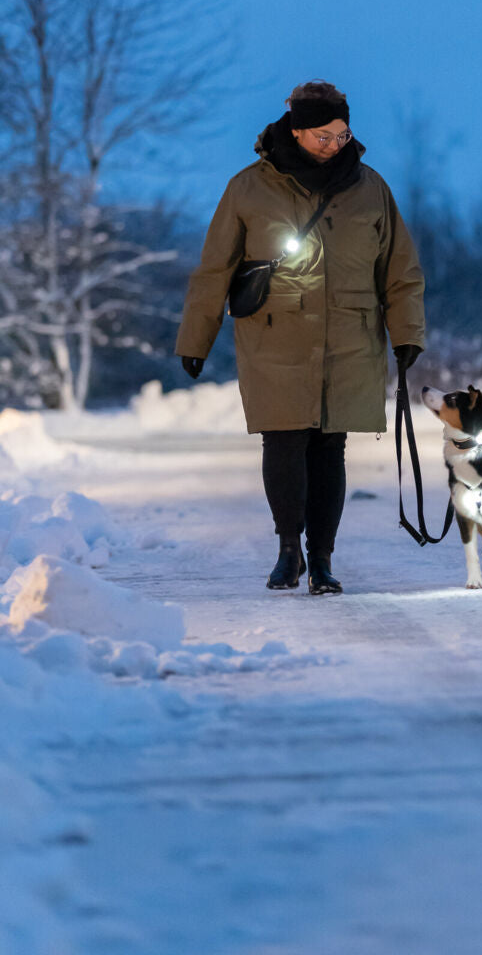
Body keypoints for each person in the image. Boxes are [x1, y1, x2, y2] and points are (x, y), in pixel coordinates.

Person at [174, 80, 424, 594]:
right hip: (275, 336)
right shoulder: (249, 187)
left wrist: (407, 333)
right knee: (284, 441)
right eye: (324, 136)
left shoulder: (370, 186)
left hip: (349, 336)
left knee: (330, 448)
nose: (336, 145)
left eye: (343, 134)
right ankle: (289, 550)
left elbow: (400, 270)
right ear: (298, 130)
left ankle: (323, 560)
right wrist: (194, 340)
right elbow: (213, 270)